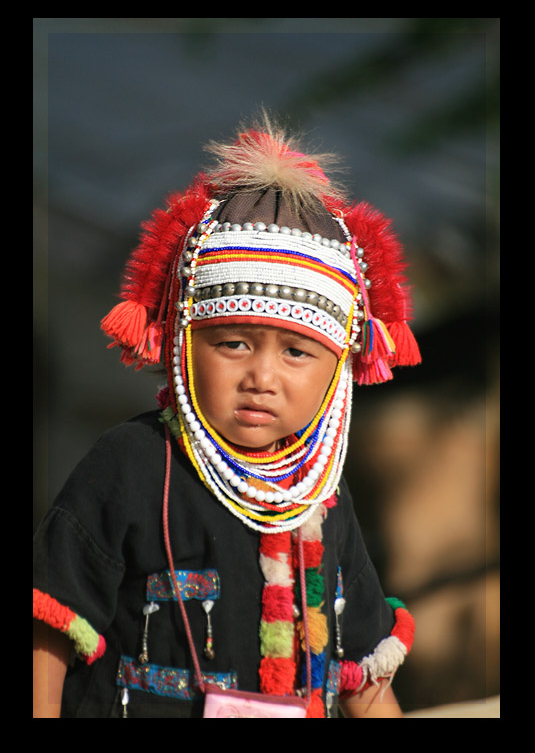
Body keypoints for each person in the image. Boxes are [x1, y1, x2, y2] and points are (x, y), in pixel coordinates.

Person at [33, 114, 420, 718]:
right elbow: (51, 628)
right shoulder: (132, 464)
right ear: (185, 344)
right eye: (234, 344)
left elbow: (361, 675)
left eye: (296, 352)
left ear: (339, 369)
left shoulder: (322, 493)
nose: (261, 377)